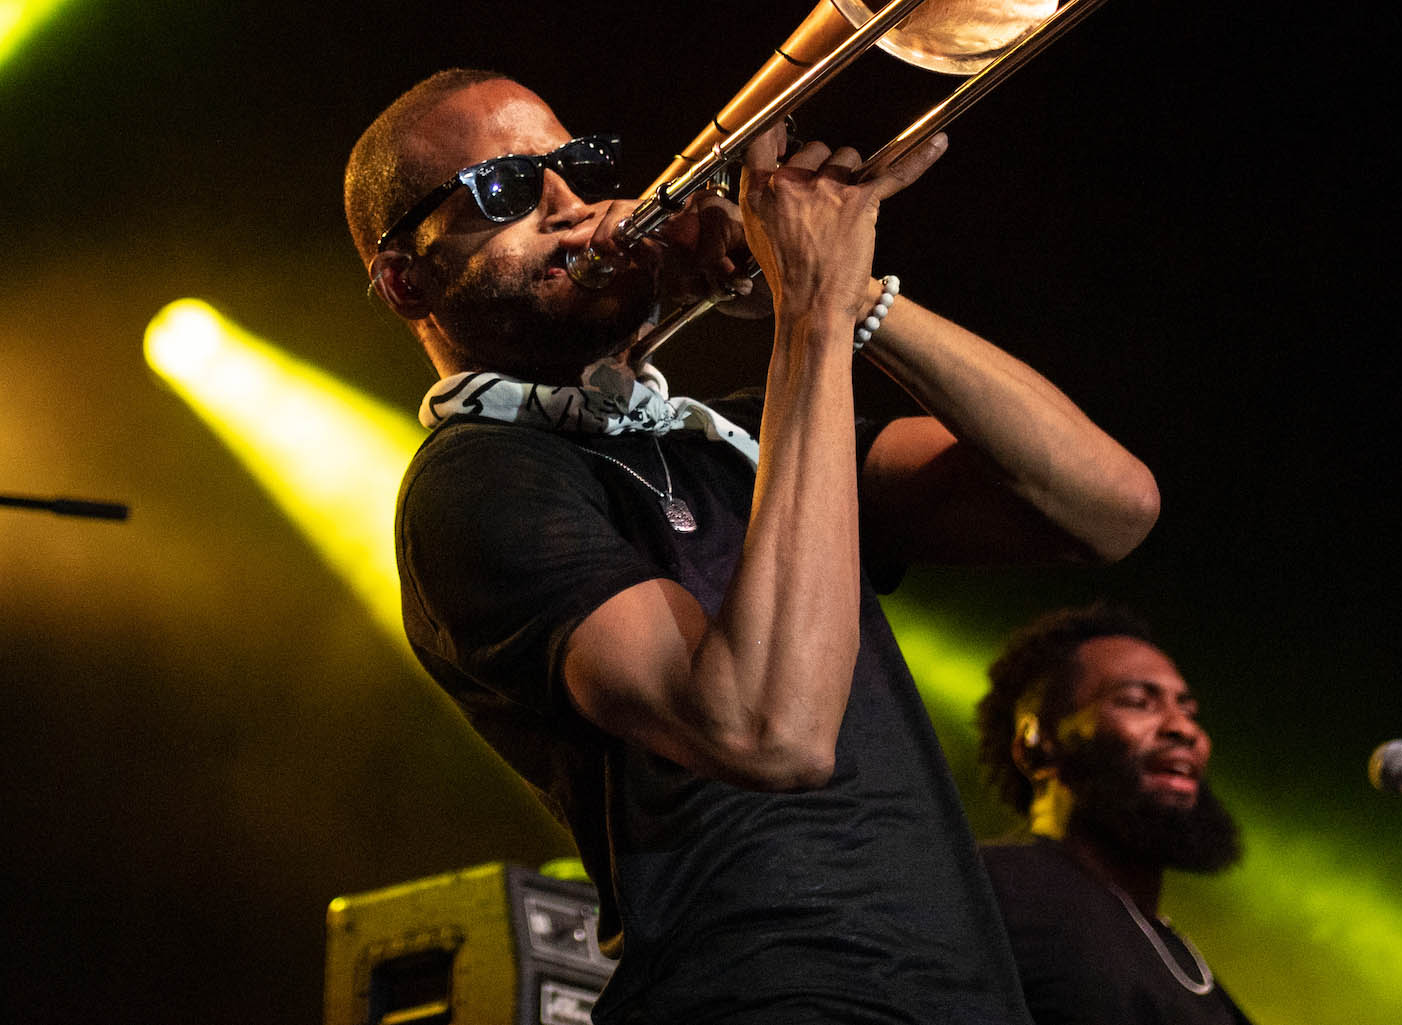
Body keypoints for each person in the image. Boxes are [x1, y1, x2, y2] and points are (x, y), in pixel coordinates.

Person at [343, 67, 1160, 1024]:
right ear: (406, 279)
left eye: (577, 165)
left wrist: (857, 301)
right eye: (506, 189)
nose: (571, 203)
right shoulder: (477, 479)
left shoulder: (740, 444)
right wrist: (806, 311)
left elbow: (1108, 505)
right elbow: (767, 732)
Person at [976, 604, 1255, 1024]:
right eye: (1137, 702)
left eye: (1189, 710)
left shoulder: (1184, 963)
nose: (1183, 728)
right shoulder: (990, 888)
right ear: (1036, 744)